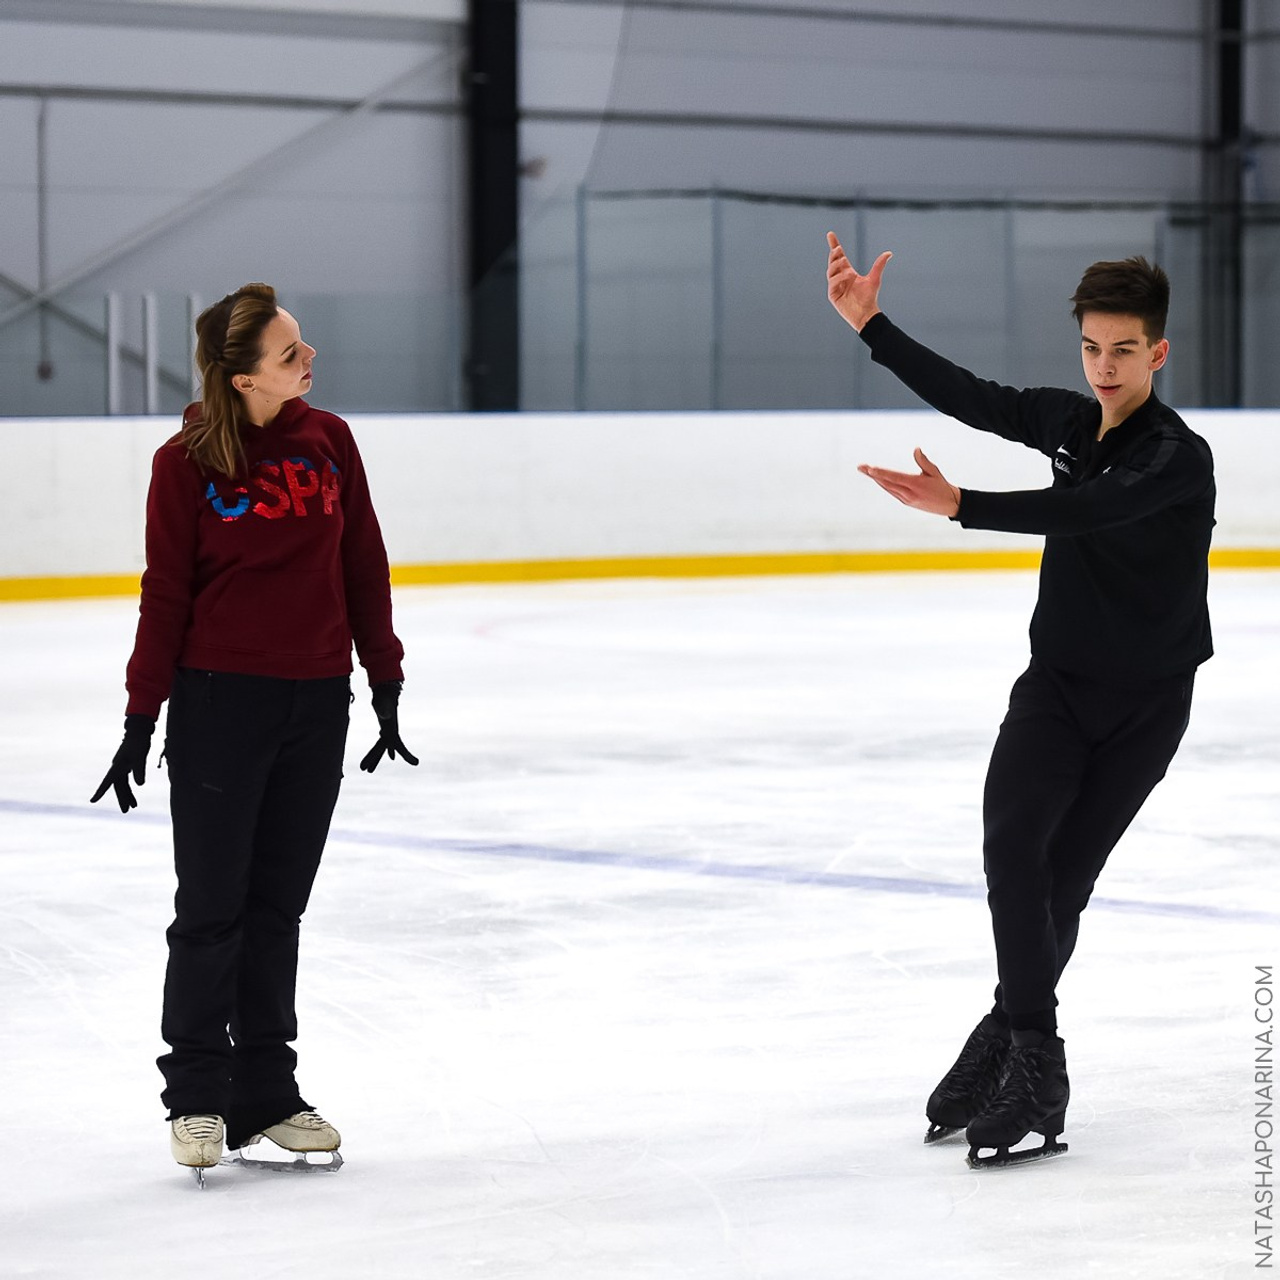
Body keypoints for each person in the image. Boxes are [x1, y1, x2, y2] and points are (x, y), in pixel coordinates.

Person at [826, 233, 1214, 1167]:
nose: (1105, 367)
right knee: (1012, 852)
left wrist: (962, 505)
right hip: (1057, 687)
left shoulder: (1176, 458)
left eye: (1124, 350)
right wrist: (870, 323)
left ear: (1157, 354)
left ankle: (1014, 1042)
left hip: (1147, 707)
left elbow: (1090, 512)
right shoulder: (1071, 423)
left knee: (1064, 879)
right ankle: (1031, 1052)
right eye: (1091, 349)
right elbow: (976, 398)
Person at [91, 283, 418, 1176]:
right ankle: (197, 1095)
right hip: (217, 706)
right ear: (241, 380)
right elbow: (166, 595)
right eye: (288, 355)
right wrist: (139, 715)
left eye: (302, 345)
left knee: (277, 911)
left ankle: (267, 1093)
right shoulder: (184, 461)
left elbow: (364, 562)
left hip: (315, 704)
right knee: (211, 912)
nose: (308, 361)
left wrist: (382, 676)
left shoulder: (330, 441)